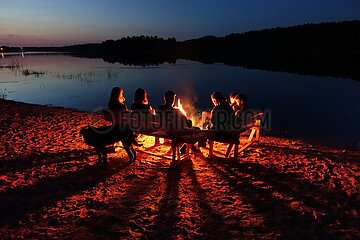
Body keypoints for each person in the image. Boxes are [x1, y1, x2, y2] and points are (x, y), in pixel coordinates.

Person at [107, 87, 139, 164]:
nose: (122, 96)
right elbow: (127, 118)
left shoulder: (110, 104)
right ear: (118, 95)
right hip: (122, 129)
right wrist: (123, 104)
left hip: (114, 127)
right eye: (121, 94)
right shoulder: (121, 106)